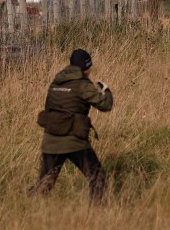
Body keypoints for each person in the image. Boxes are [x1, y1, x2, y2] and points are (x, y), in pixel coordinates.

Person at [29, 48, 114, 200]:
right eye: (89, 67)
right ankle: (98, 211)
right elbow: (105, 105)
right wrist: (106, 91)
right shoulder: (83, 84)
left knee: (44, 184)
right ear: (85, 67)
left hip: (51, 141)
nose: (90, 70)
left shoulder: (55, 83)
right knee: (97, 176)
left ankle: (29, 206)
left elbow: (49, 108)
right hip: (74, 142)